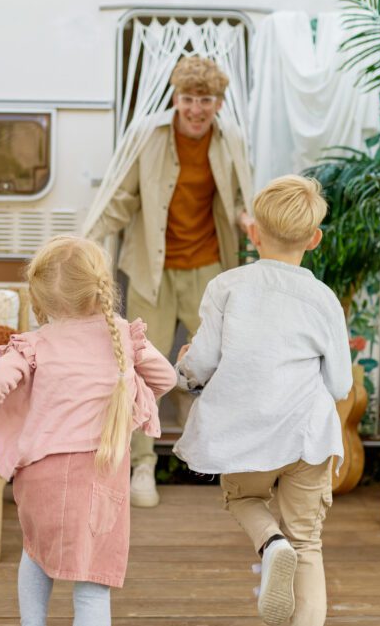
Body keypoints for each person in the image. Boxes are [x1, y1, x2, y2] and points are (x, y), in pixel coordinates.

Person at [0, 235, 176, 626]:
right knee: (92, 578)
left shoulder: (35, 344)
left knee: (36, 551)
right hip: (103, 474)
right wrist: (132, 391)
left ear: (39, 301)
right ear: (101, 289)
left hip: (42, 474)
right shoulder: (124, 338)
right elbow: (167, 377)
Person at [173, 175, 353, 626]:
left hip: (245, 432)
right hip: (306, 437)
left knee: (243, 500)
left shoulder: (227, 287)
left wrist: (185, 370)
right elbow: (339, 385)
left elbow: (204, 362)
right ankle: (288, 551)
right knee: (308, 545)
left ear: (253, 232)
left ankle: (271, 544)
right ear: (314, 239)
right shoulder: (323, 299)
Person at [85, 55, 254, 508]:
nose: (196, 109)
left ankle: (213, 458)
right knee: (142, 368)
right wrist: (86, 240)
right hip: (150, 271)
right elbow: (122, 198)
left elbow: (240, 199)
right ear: (175, 99)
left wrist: (250, 222)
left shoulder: (230, 139)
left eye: (206, 100)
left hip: (209, 269)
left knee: (214, 367)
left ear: (218, 103)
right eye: (188, 99)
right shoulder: (151, 136)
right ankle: (143, 465)